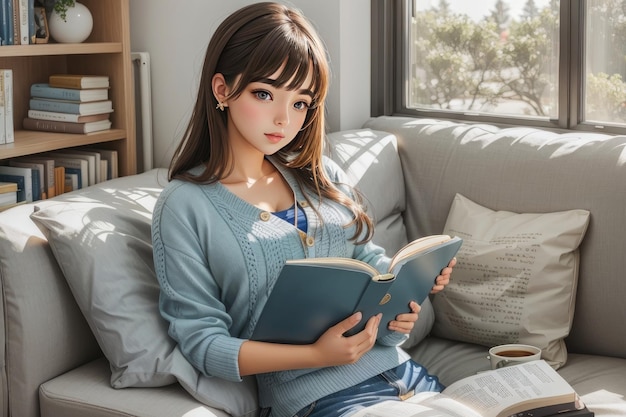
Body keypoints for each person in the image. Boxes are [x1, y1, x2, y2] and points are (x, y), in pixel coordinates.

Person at [151, 3, 456, 417]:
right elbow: (204, 344)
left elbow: (367, 262)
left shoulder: (319, 173)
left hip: (406, 376)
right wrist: (316, 355)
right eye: (265, 94)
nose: (284, 118)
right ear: (222, 89)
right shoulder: (185, 207)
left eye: (300, 103)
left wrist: (402, 304)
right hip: (319, 401)